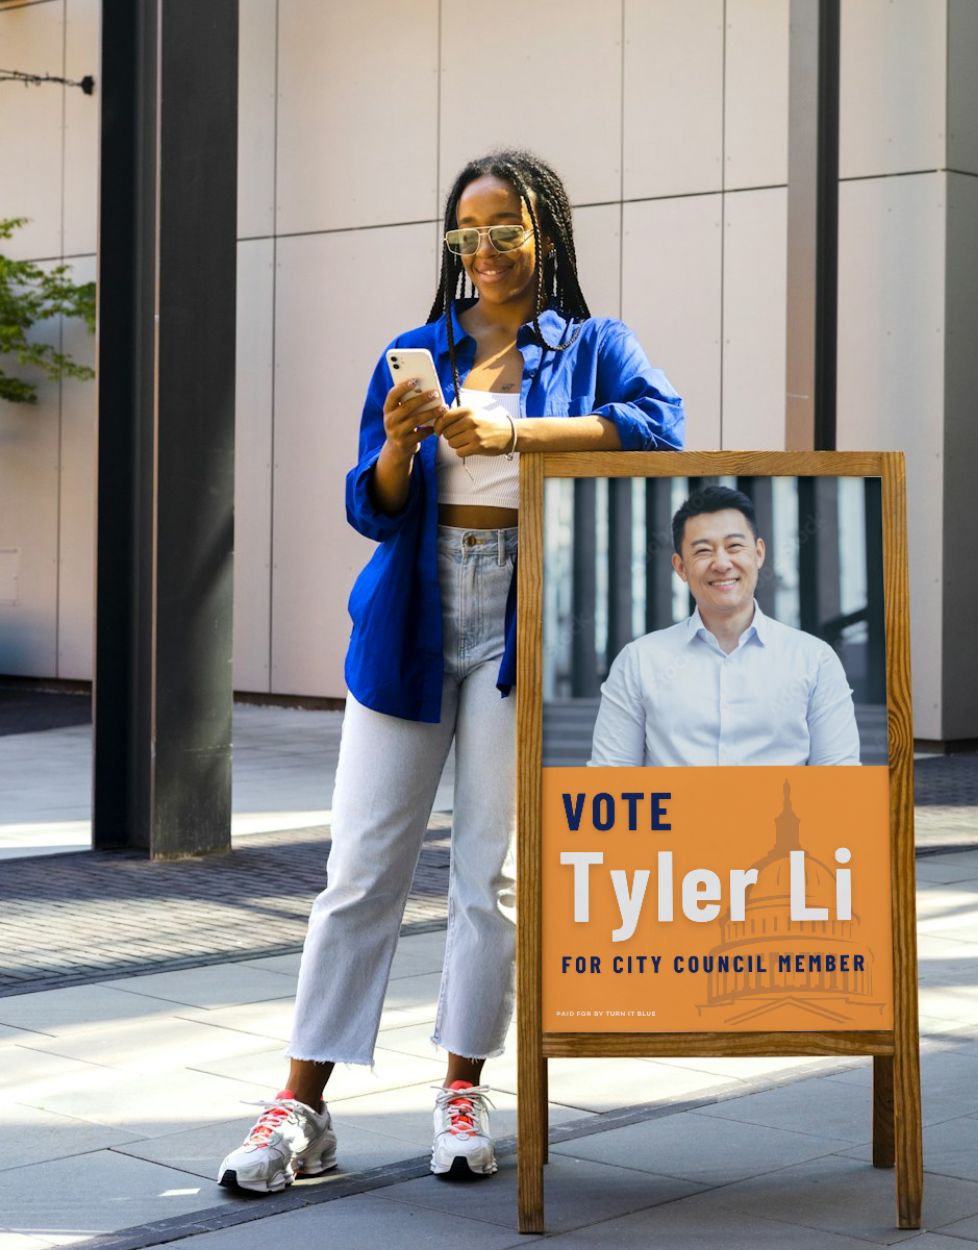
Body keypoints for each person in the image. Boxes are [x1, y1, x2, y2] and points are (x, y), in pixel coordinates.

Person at [218, 150, 683, 1193]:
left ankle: (461, 1086)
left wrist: (512, 430)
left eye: (502, 229)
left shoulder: (594, 344)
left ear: (545, 237)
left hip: (525, 619)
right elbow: (369, 506)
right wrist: (394, 446)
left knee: (491, 879)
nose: (482, 250)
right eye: (464, 232)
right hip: (413, 617)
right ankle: (301, 1101)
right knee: (358, 871)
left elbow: (658, 432)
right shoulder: (413, 351)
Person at [588, 484, 858, 768]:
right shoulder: (639, 661)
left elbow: (840, 782)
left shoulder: (815, 659)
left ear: (758, 553)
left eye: (734, 546)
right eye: (703, 550)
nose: (721, 563)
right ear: (680, 567)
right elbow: (610, 780)